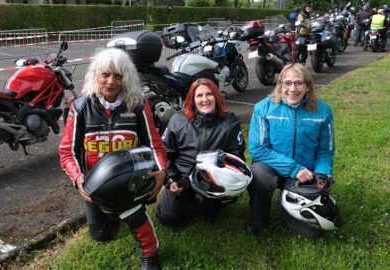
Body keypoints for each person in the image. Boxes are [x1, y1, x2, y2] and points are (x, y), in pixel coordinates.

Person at [59, 48, 167, 270]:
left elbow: (155, 144)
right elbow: (66, 152)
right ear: (95, 76)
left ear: (126, 78)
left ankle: (150, 253)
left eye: (118, 76)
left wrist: (161, 172)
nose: (111, 82)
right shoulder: (80, 107)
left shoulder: (138, 105)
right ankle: (112, 215)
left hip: (130, 179)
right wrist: (80, 180)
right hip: (96, 183)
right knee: (101, 236)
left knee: (137, 220)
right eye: (105, 75)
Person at [245, 63, 335, 237]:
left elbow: (325, 150)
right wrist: (294, 169)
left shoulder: (323, 111)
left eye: (299, 83)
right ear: (280, 85)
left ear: (308, 86)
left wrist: (322, 175)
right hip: (272, 167)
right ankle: (258, 219)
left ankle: (287, 202)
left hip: (305, 172)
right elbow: (258, 149)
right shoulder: (263, 108)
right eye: (287, 83)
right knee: (258, 174)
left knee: (310, 234)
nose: (292, 89)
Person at [155, 78, 246, 227]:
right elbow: (166, 153)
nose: (205, 99)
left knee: (211, 215)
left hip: (213, 179)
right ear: (192, 99)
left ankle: (213, 202)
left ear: (216, 96)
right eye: (199, 95)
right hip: (183, 177)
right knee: (169, 218)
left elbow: (237, 155)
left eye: (209, 94)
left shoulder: (230, 121)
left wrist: (227, 179)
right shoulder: (178, 120)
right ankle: (187, 197)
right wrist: (171, 180)